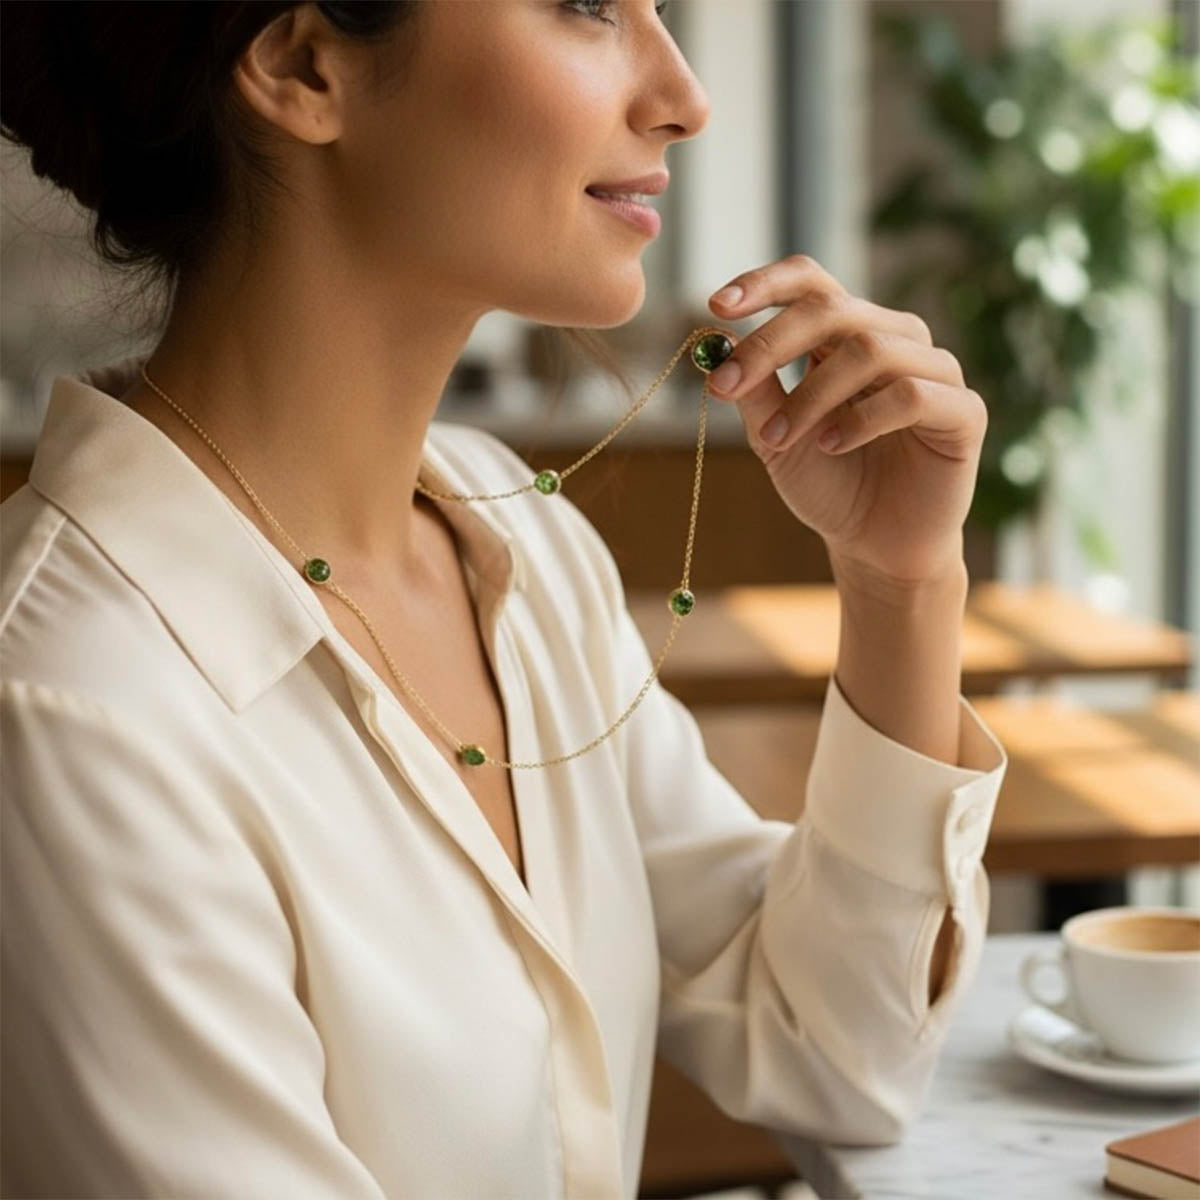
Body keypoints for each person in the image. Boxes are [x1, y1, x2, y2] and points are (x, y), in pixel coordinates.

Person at [0, 2, 1008, 1196]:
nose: (686, 93)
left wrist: (902, 582)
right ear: (303, 62)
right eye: (586, 6)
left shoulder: (517, 539)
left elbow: (836, 1051)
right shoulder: (74, 708)